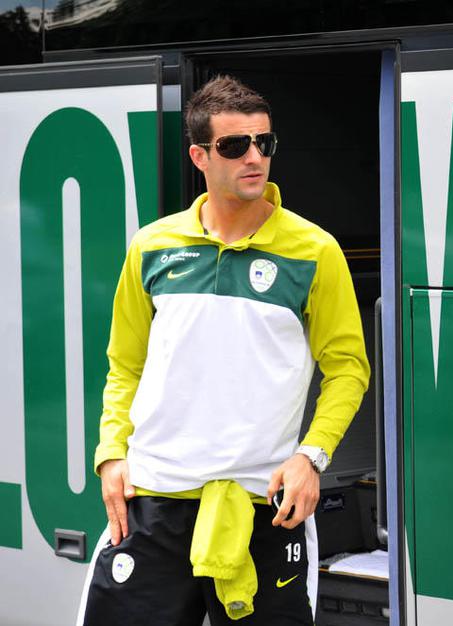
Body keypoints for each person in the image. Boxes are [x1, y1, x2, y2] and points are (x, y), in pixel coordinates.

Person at [78, 76, 370, 625]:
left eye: (265, 142)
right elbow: (125, 365)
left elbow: (349, 369)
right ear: (200, 156)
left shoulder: (316, 250)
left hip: (265, 506)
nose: (254, 157)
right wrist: (111, 452)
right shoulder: (152, 246)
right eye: (235, 146)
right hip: (153, 499)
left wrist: (312, 457)